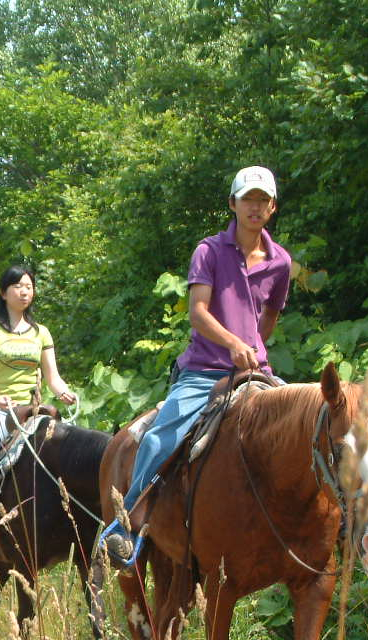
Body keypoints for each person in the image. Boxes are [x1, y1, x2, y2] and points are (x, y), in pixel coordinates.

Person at [102, 165, 292, 565]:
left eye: (262, 200)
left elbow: (270, 316)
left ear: (272, 207)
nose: (255, 207)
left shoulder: (281, 262)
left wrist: (254, 344)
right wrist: (234, 342)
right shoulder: (209, 250)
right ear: (233, 204)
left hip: (256, 372)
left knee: (306, 428)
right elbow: (198, 313)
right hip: (205, 370)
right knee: (159, 438)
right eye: (248, 199)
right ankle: (125, 525)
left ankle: (315, 528)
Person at [0, 265, 78, 552]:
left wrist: (64, 392)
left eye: (29, 286)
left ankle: (71, 521)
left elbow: (53, 377)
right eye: (18, 286)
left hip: (37, 411)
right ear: (3, 292)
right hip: (0, 412)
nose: (25, 292)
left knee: (73, 450)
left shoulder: (41, 333)